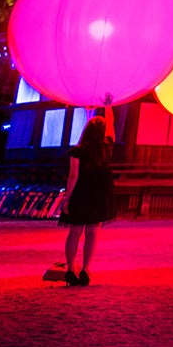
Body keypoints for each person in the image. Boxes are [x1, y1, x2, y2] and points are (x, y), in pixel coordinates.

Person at [58, 112, 115, 286]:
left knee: (74, 232)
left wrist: (67, 198)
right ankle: (86, 269)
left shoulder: (77, 151)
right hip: (99, 194)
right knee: (93, 232)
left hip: (80, 193)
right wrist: (108, 106)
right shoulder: (106, 147)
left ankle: (70, 269)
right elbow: (112, 128)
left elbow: (73, 176)